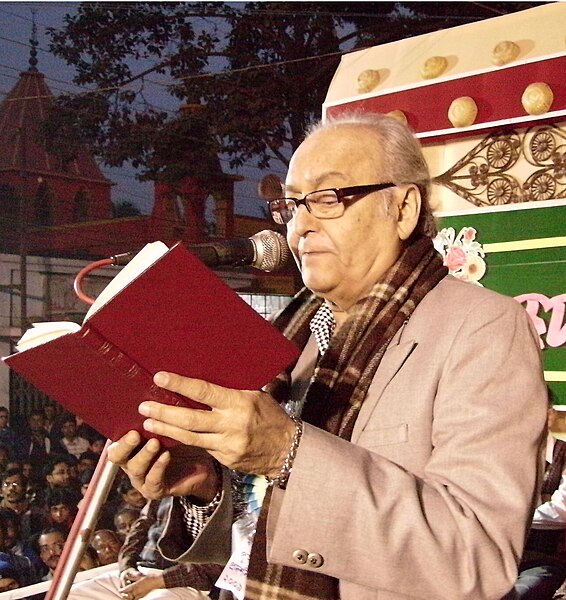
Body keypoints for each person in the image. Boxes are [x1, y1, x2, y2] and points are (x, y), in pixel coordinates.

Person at [108, 113, 548, 600]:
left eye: (326, 199)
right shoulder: (293, 335)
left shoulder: (482, 328)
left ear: (403, 208)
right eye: (292, 205)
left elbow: (477, 556)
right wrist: (205, 487)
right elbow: (259, 533)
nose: (300, 228)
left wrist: (286, 452)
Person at [67, 497, 222, 599]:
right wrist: (127, 567)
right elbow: (138, 531)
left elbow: (217, 567)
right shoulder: (165, 493)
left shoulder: (227, 501)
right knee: (70, 596)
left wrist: (157, 581)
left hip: (183, 583)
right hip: (141, 572)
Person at [514, 405, 566, 599]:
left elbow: (560, 511)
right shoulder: (501, 456)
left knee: (519, 594)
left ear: (550, 415)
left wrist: (509, 516)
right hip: (495, 555)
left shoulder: (564, 454)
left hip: (543, 558)